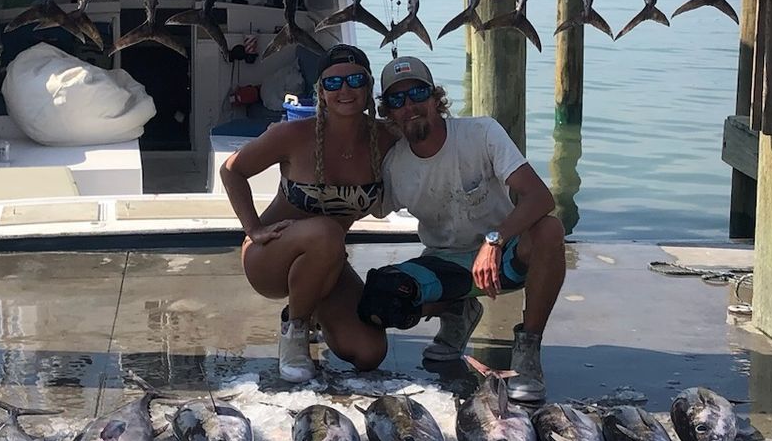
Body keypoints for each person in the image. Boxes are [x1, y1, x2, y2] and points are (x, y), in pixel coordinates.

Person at [369, 55, 566, 404]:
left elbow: (539, 197)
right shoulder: (394, 163)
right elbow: (356, 204)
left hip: (503, 257)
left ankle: (528, 350)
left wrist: (495, 239)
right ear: (388, 112)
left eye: (418, 93)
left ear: (436, 97)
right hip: (444, 263)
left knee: (549, 230)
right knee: (381, 300)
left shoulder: (481, 132)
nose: (410, 105)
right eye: (397, 100)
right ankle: (458, 310)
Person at [221, 43, 393, 381]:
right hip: (269, 256)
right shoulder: (292, 134)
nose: (344, 90)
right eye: (332, 83)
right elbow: (232, 170)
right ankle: (295, 331)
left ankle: (313, 309)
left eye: (355, 80)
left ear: (369, 87)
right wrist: (253, 229)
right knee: (327, 232)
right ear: (321, 92)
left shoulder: (386, 138)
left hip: (327, 262)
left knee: (369, 353)